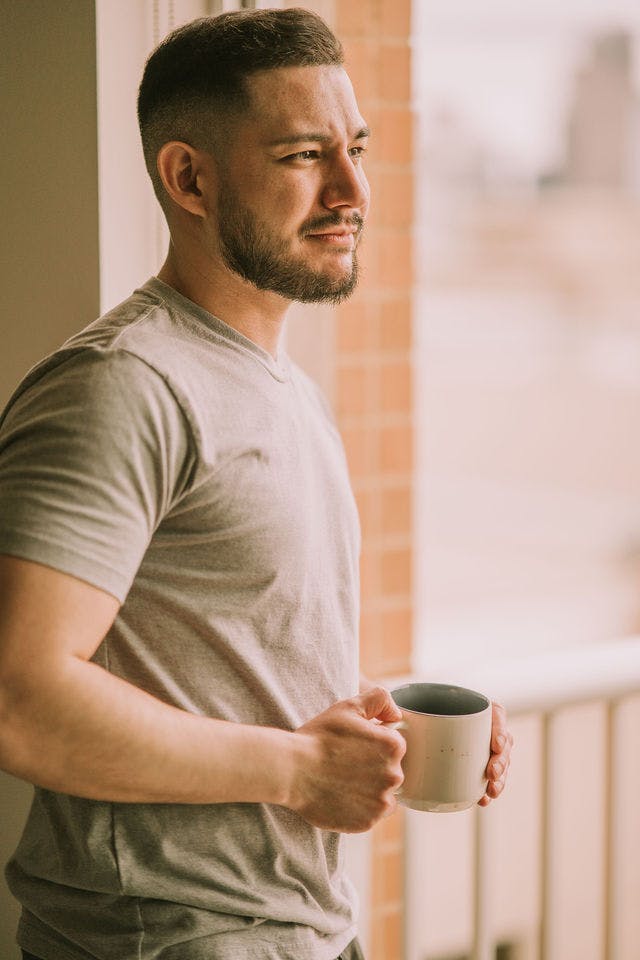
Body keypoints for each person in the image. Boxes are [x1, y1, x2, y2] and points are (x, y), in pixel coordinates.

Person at [0, 9, 512, 960]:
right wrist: (298, 769)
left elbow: (220, 652)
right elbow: (18, 698)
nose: (353, 188)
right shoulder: (122, 386)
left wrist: (370, 730)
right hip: (170, 939)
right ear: (188, 177)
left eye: (355, 147)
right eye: (303, 155)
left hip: (302, 931)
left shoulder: (289, 391)